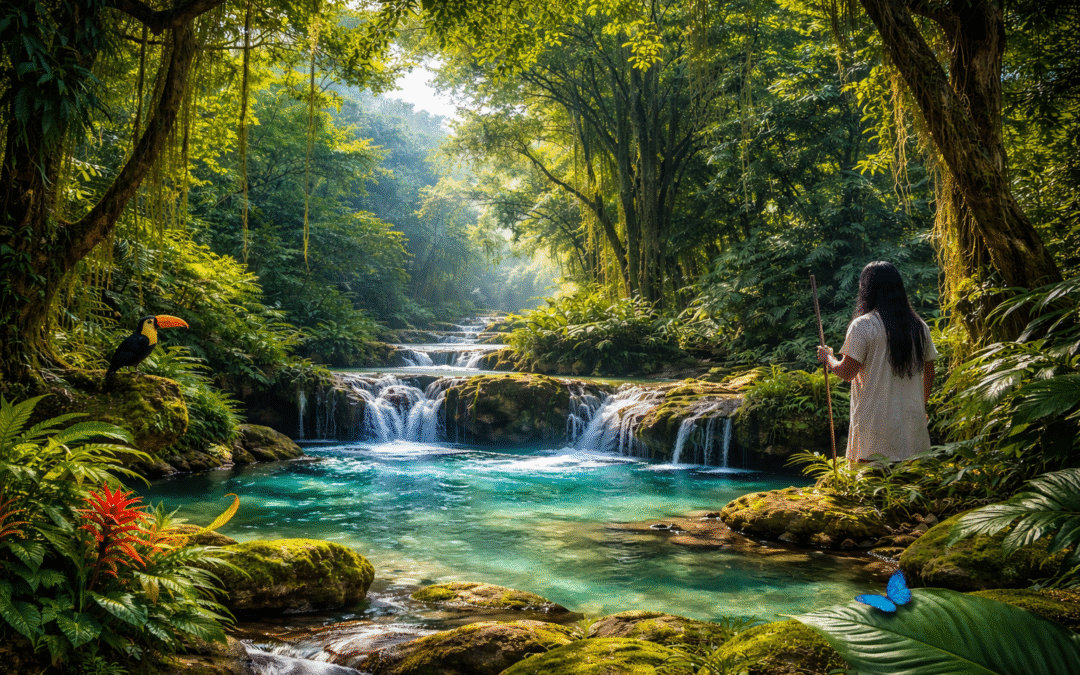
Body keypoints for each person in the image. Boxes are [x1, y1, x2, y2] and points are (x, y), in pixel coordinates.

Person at [817, 261, 938, 463]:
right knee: (910, 479)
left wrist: (828, 358)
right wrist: (921, 407)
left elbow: (847, 372)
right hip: (911, 427)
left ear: (867, 290)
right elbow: (930, 373)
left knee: (873, 480)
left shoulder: (863, 326)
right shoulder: (919, 327)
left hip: (874, 429)